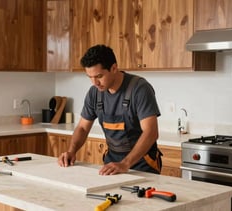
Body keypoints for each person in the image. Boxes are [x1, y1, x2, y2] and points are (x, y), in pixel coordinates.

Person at [57, 44, 162, 175]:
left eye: (99, 76)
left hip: (142, 163)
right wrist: (72, 151)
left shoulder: (139, 89)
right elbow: (83, 128)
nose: (94, 83)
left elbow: (151, 132)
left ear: (114, 68)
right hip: (112, 162)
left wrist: (125, 164)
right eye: (90, 77)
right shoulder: (94, 93)